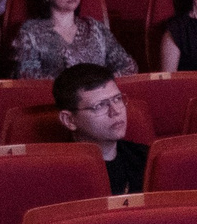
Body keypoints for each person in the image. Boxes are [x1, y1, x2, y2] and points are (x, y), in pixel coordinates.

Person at [54, 63, 147, 195]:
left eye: (117, 99)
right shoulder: (56, 172)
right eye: (100, 106)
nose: (115, 111)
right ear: (69, 120)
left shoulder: (146, 158)